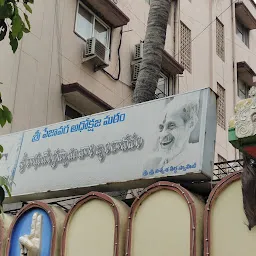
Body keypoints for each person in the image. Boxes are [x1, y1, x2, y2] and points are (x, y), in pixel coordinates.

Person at [144, 94, 200, 171]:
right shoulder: (153, 163)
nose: (162, 135)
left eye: (171, 126)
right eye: (161, 127)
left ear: (190, 124)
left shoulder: (195, 159)